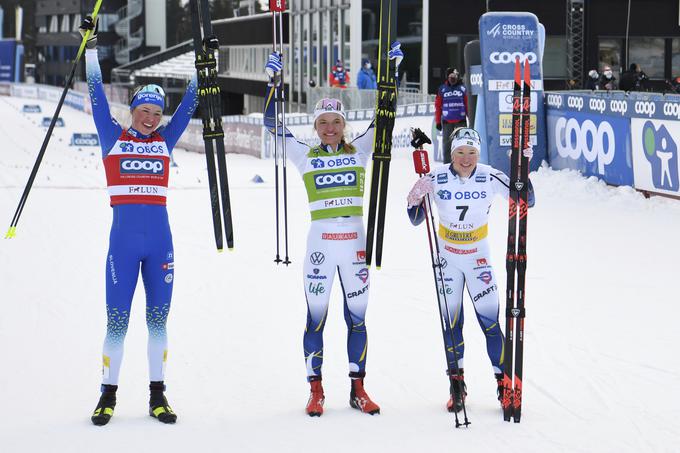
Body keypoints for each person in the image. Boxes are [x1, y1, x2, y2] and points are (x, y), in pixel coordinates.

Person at [263, 42, 403, 417]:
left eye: (335, 123)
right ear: (315, 127)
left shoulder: (359, 150)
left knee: (357, 318)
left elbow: (385, 118)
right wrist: (272, 85)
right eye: (323, 123)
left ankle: (358, 388)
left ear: (344, 125)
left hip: (355, 244)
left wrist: (390, 76)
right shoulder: (303, 154)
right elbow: (270, 125)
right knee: (316, 317)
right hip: (321, 246)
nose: (329, 129)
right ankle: (316, 390)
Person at [80, 16, 198, 426]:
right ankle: (107, 395)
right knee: (116, 321)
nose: (150, 118)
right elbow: (96, 97)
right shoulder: (113, 138)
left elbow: (189, 106)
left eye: (156, 113)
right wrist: (91, 50)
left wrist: (204, 65)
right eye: (144, 111)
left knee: (157, 322)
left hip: (160, 245)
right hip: (124, 246)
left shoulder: (165, 140)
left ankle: (157, 396)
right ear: (132, 111)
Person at [405, 128, 535, 413]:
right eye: (460, 153)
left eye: (472, 153)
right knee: (451, 325)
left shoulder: (489, 175)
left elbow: (526, 201)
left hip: (478, 258)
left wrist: (523, 171)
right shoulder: (436, 177)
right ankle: (457, 384)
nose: (466, 159)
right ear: (452, 153)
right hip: (447, 259)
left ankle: (503, 384)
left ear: (479, 153)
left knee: (490, 324)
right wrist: (414, 198)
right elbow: (416, 219)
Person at [435, 68, 468, 165]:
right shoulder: (442, 89)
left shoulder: (463, 88)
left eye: (455, 77)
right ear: (447, 77)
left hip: (461, 121)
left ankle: (463, 163)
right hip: (447, 122)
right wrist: (438, 121)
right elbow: (437, 106)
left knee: (462, 143)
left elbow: (467, 104)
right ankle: (447, 165)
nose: (453, 79)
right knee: (447, 145)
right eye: (451, 77)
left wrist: (471, 118)